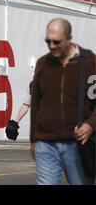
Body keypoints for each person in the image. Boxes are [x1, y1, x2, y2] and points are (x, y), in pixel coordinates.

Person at [30, 18, 96, 185]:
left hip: (78, 145)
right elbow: (36, 103)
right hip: (46, 143)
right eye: (48, 41)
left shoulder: (89, 62)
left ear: (69, 37)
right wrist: (33, 139)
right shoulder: (43, 64)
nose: (52, 46)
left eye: (57, 42)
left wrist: (90, 125)